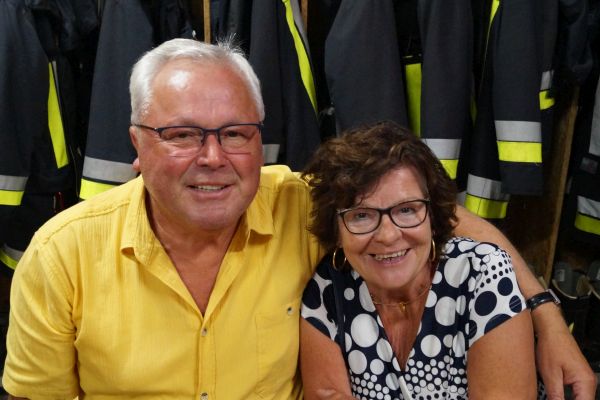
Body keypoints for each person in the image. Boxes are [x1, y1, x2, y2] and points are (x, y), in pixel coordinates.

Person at [1, 38, 596, 399]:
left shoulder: (297, 202)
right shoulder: (62, 256)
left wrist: (547, 316)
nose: (213, 157)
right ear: (137, 144)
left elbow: (439, 219)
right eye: (182, 135)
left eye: (236, 133)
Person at [299, 121, 538, 399]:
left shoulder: (483, 273)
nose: (388, 236)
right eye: (361, 215)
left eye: (407, 210)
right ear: (337, 230)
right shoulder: (328, 287)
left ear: (433, 217)